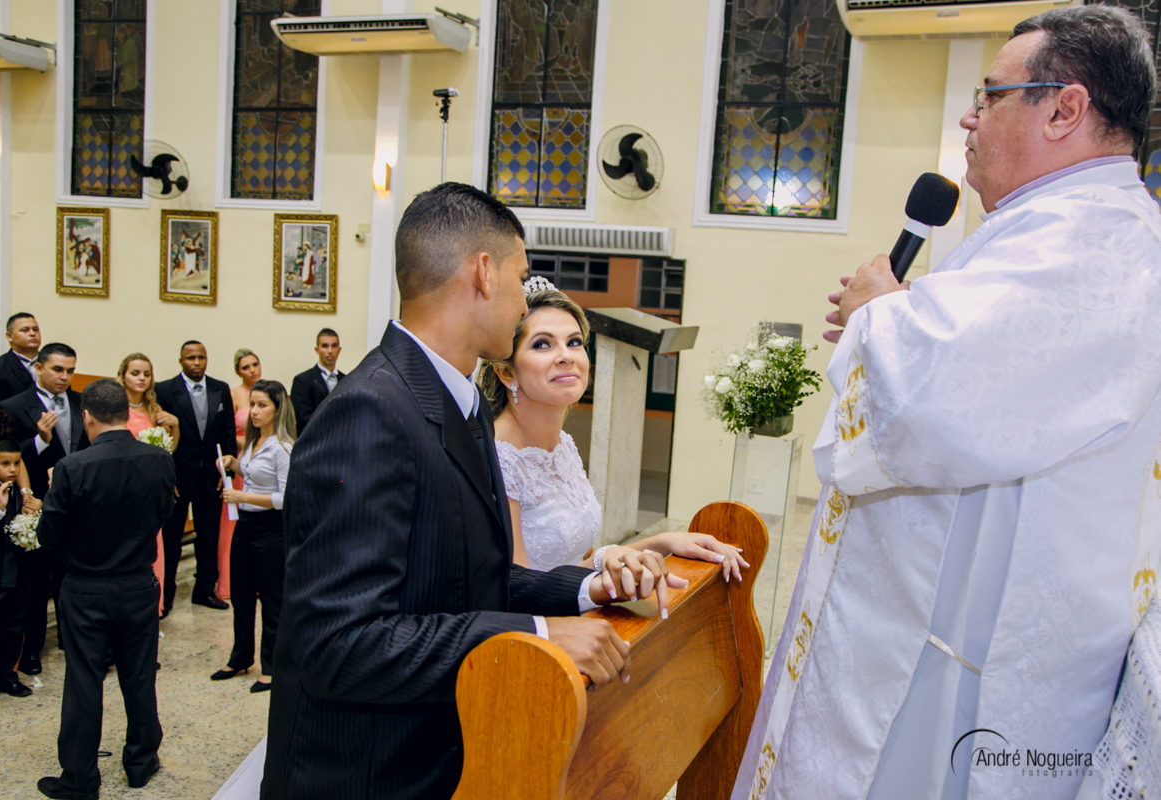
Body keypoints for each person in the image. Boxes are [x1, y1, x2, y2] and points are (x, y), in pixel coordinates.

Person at [731, 7, 1161, 800]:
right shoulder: (1064, 228)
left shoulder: (1087, 241)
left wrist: (876, 313)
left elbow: (936, 401)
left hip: (954, 674)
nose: (969, 115)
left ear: (1064, 109)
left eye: (991, 95)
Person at [262, 183, 679, 800]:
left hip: (447, 753)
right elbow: (339, 645)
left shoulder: (461, 407)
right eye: (521, 276)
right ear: (483, 273)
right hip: (367, 775)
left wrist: (591, 588)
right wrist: (537, 635)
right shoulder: (369, 413)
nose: (522, 298)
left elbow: (473, 580)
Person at [479, 282, 748, 587]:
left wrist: (663, 543)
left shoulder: (562, 446)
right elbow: (520, 589)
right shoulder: (498, 459)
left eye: (574, 342)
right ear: (507, 371)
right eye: (543, 344)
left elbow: (581, 558)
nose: (566, 356)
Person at [35, 380, 174, 800]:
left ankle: (79, 777)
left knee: (83, 679)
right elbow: (164, 514)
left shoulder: (72, 467)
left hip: (86, 587)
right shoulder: (159, 460)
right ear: (124, 413)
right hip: (137, 582)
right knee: (139, 675)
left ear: (88, 417)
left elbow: (48, 535)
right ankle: (141, 761)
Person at [1, 343, 87, 677]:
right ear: (38, 368)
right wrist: (39, 441)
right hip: (36, 506)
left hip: (77, 508)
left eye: (70, 370)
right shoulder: (13, 406)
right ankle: (33, 649)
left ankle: (73, 639)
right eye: (57, 369)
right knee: (36, 584)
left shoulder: (81, 403)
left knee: (73, 579)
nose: (64, 377)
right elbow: (6, 458)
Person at [212, 380, 295, 694]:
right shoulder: (252, 442)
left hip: (271, 531)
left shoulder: (284, 447)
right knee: (242, 596)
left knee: (272, 601)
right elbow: (255, 476)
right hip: (245, 526)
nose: (254, 412)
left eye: (262, 405)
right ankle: (240, 657)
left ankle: (271, 667)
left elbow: (285, 497)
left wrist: (242, 497)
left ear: (277, 409)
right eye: (253, 404)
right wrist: (233, 464)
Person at [154, 341, 236, 614]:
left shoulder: (220, 388)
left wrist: (225, 473)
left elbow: (227, 433)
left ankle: (204, 590)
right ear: (181, 361)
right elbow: (161, 441)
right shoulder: (165, 390)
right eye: (191, 358)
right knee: (172, 538)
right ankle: (165, 597)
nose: (197, 362)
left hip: (210, 476)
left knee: (209, 536)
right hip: (178, 478)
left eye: (201, 357)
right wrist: (167, 478)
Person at [117, 353, 180, 615]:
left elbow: (170, 450)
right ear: (123, 375)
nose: (141, 378)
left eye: (146, 374)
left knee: (156, 549)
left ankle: (153, 608)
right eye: (135, 373)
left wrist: (175, 426)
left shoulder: (155, 410)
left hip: (152, 492)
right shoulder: (116, 409)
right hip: (124, 489)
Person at [219, 349, 262, 602]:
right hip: (240, 463)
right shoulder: (233, 394)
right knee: (234, 522)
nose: (252, 370)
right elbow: (226, 432)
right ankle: (229, 582)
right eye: (246, 367)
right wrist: (249, 441)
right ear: (238, 371)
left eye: (255, 364)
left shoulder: (268, 392)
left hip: (262, 461)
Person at [0, 437, 29, 697]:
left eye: (16, 463)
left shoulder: (19, 492)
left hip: (15, 570)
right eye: (4, 463)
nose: (12, 469)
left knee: (12, 625)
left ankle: (8, 674)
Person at [289, 329, 343, 436]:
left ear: (339, 349)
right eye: (325, 346)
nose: (330, 351)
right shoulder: (302, 380)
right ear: (317, 350)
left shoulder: (346, 379)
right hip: (312, 441)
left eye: (334, 346)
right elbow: (303, 417)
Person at [0, 313, 40, 401]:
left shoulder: (51, 362)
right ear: (9, 336)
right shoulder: (1, 366)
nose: (32, 334)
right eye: (25, 330)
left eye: (35, 329)